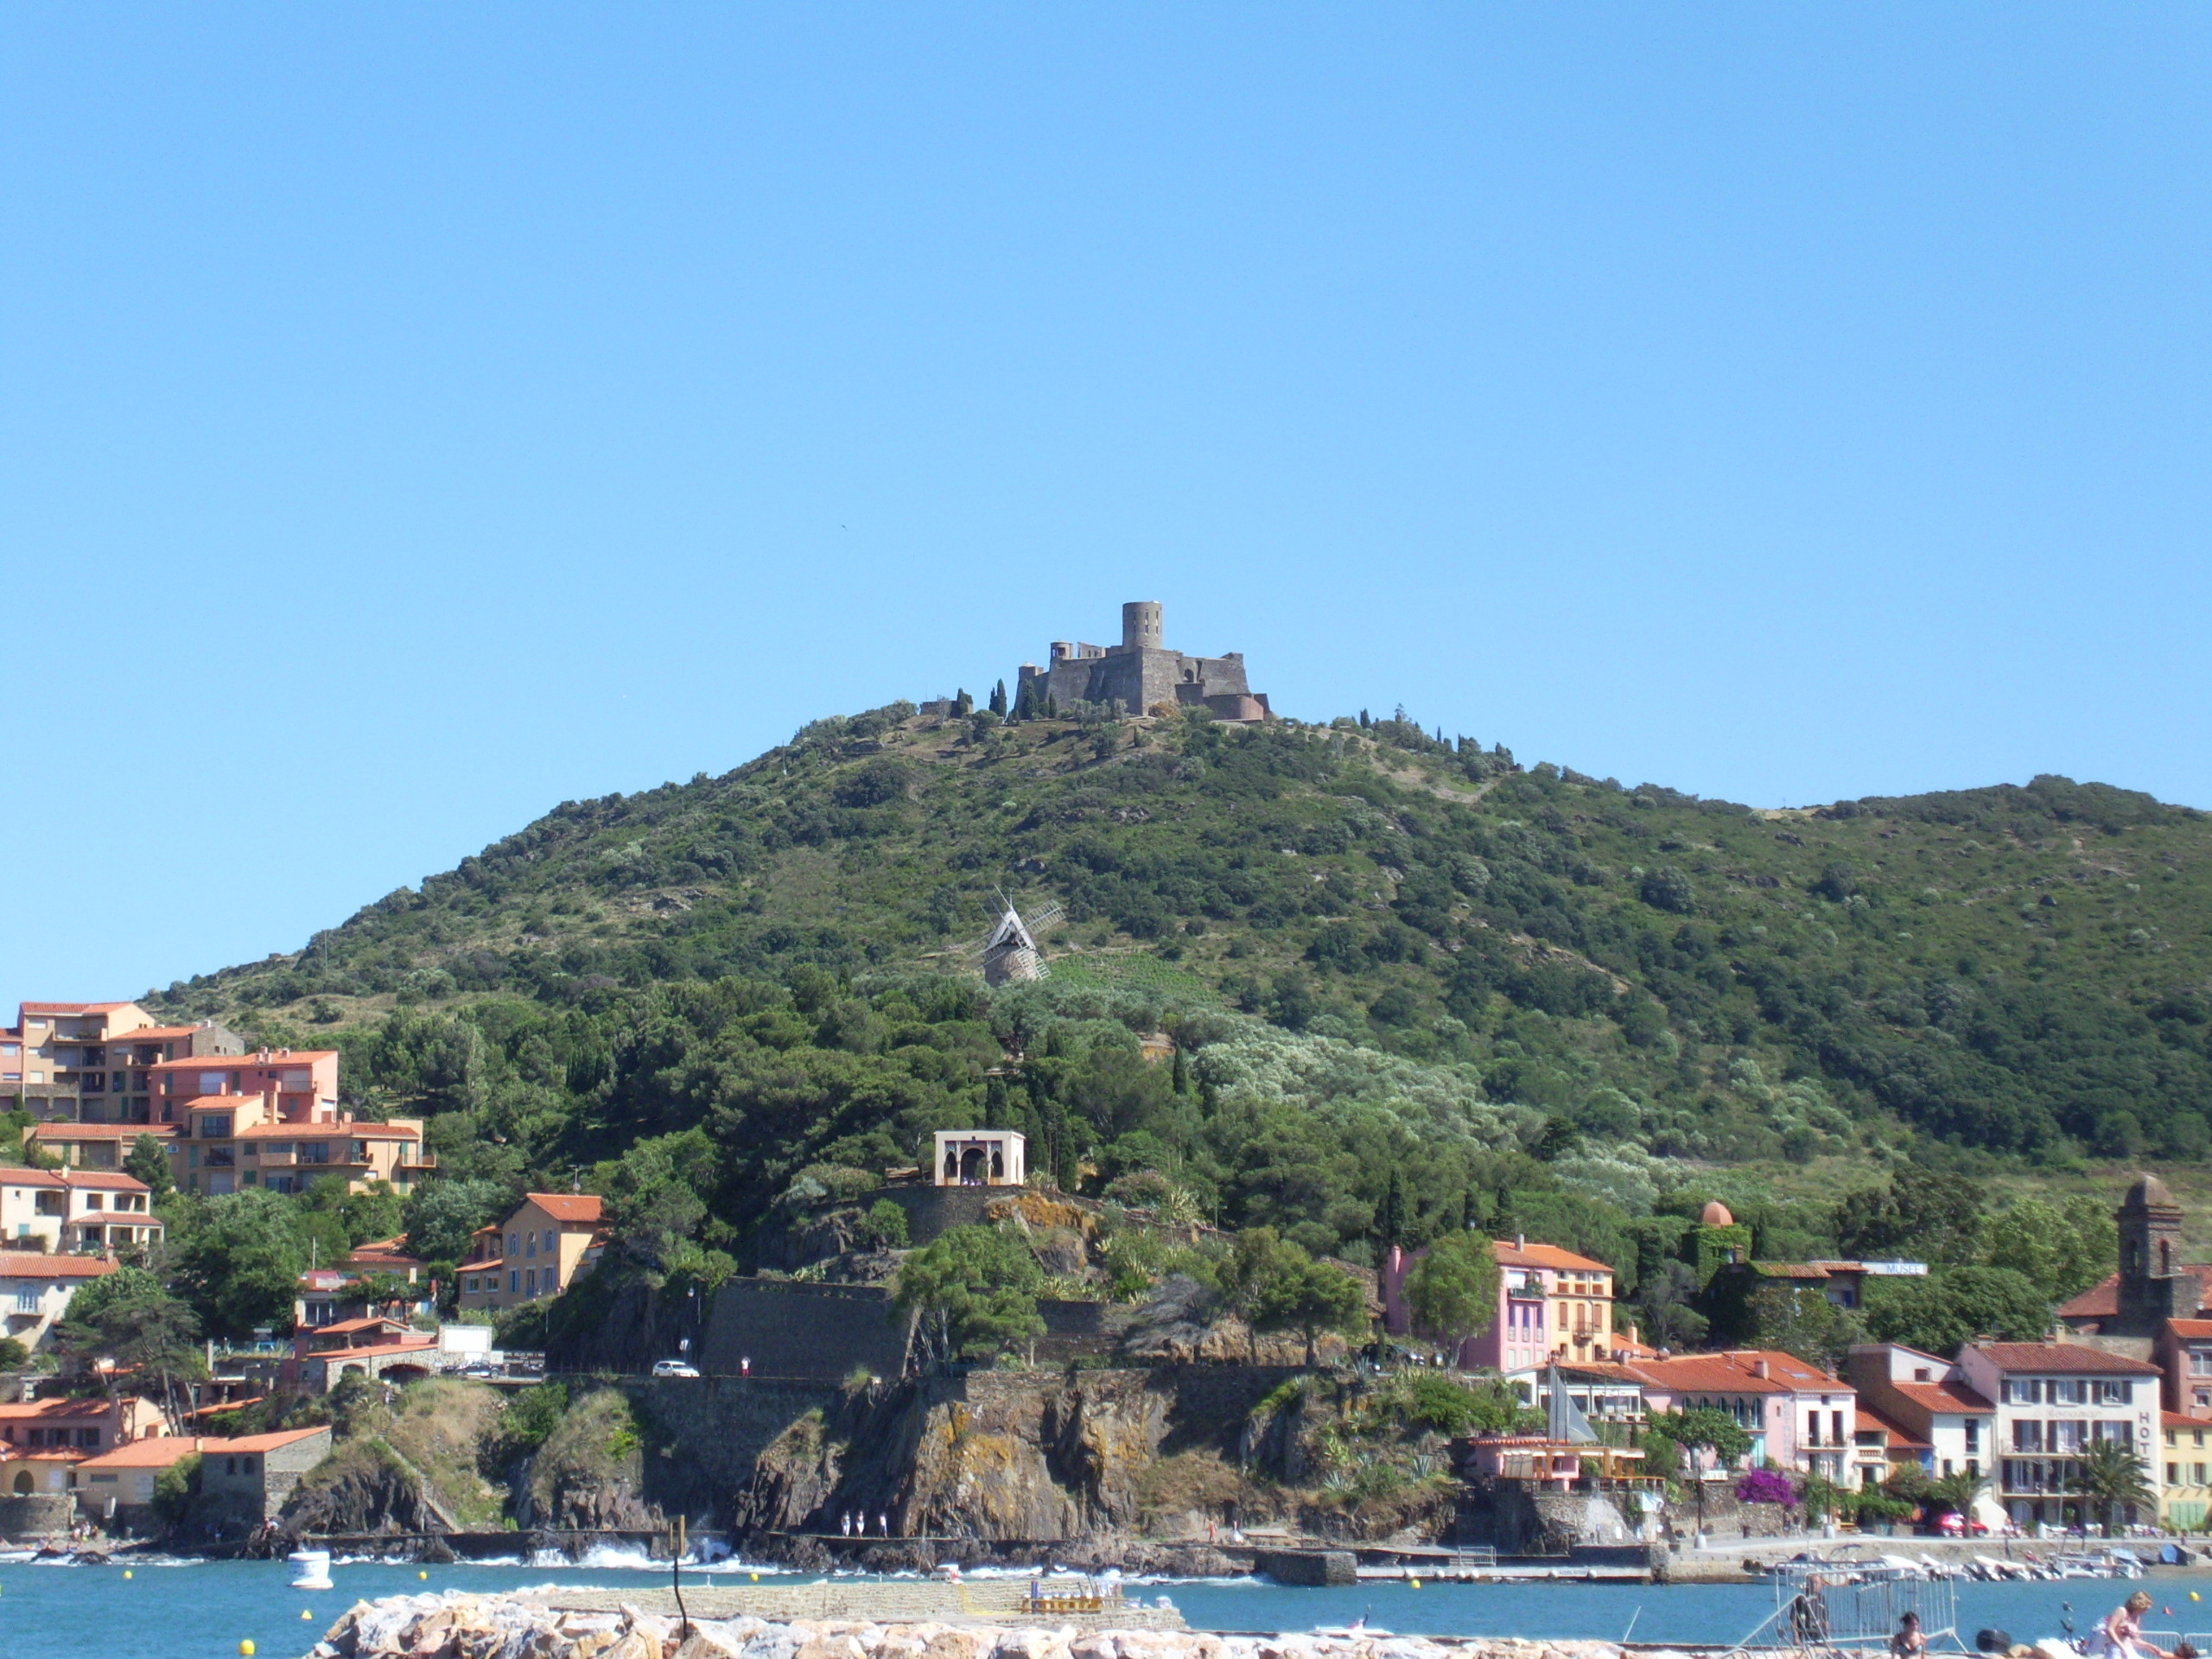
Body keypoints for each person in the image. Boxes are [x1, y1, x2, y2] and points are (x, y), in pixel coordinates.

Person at [2099, 1591, 2175, 1659]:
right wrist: (2121, 1647)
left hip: (2129, 1649)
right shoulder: (2122, 1611)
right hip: (2116, 1649)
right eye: (2145, 1609)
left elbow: (2133, 1640)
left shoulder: (2137, 1618)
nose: (2146, 1612)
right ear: (2138, 1605)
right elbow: (2110, 1629)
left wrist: (2149, 1646)